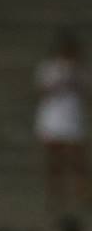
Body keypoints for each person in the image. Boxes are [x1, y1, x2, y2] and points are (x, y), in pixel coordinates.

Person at [35, 31, 89, 212]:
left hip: (73, 116)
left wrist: (75, 81)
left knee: (78, 159)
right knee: (54, 160)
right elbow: (42, 92)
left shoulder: (80, 69)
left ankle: (82, 195)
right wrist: (59, 83)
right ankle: (56, 196)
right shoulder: (50, 68)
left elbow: (86, 93)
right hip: (53, 116)